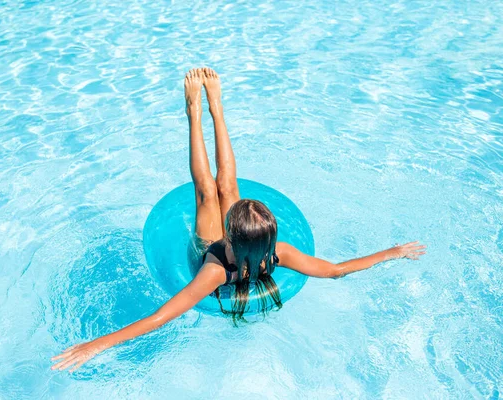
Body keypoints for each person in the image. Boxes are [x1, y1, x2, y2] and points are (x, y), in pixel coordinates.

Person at [51, 68, 426, 372]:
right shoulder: (279, 251)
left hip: (209, 251)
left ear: (230, 235)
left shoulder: (214, 271)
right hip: (244, 250)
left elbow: (161, 316)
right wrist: (393, 251)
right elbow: (335, 271)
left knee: (206, 191)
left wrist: (95, 345)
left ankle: (193, 114)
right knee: (229, 183)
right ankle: (217, 107)